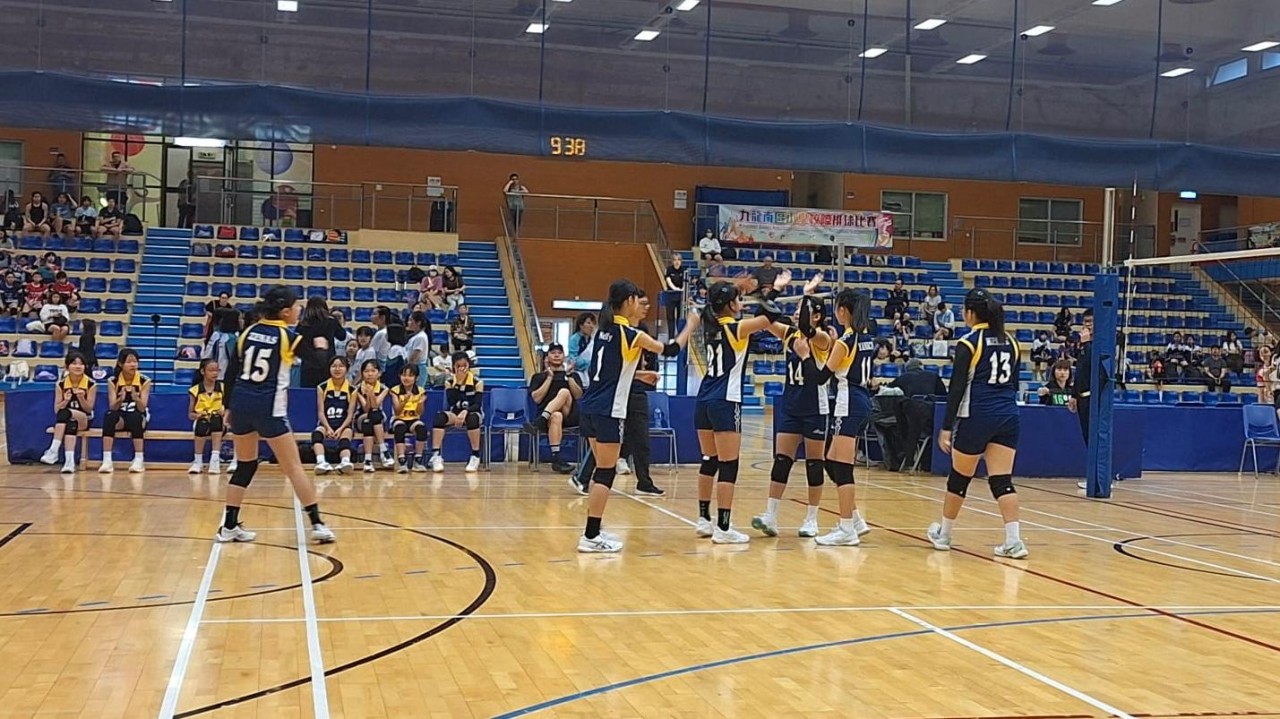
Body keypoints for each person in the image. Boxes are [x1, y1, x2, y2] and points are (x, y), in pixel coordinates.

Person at [575, 279, 699, 553]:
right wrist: (690, 325)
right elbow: (670, 350)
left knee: (601, 470)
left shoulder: (603, 331)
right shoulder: (631, 334)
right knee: (605, 472)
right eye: (637, 300)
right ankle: (591, 536)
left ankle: (593, 531)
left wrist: (639, 374)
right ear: (628, 301)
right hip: (609, 410)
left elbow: (604, 371)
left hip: (590, 407)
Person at [217, 285, 335, 544]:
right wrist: (322, 346)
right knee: (293, 467)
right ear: (285, 312)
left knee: (245, 465)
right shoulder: (287, 337)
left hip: (241, 405)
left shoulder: (247, 332)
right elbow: (318, 363)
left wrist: (227, 406)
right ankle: (317, 524)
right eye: (296, 306)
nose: (299, 309)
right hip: (269, 408)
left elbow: (231, 373)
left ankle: (228, 526)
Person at [693, 274, 791, 545]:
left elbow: (720, 303)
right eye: (738, 300)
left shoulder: (710, 325)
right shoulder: (735, 329)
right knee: (729, 465)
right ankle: (723, 528)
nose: (742, 303)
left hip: (703, 399)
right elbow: (770, 316)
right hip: (725, 399)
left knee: (709, 460)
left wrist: (737, 289)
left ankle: (704, 519)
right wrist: (770, 291)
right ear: (731, 305)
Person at [929, 288, 1026, 559]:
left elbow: (956, 388)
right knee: (1002, 480)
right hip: (1008, 415)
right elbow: (1014, 383)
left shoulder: (969, 342)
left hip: (977, 415)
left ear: (970, 313)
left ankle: (944, 535)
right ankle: (1014, 541)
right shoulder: (1012, 341)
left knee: (960, 477)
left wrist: (946, 426)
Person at [752, 278, 833, 539]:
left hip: (815, 408)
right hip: (791, 406)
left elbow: (810, 330)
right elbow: (763, 318)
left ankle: (812, 519)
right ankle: (771, 515)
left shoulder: (823, 338)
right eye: (796, 309)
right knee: (782, 460)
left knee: (814, 464)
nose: (796, 313)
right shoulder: (791, 335)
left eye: (802, 309)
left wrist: (808, 295)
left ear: (817, 316)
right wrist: (774, 291)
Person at [799, 289, 876, 546]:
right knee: (831, 462)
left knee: (843, 469)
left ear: (843, 310)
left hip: (848, 402)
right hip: (861, 400)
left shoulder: (845, 342)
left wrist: (805, 356)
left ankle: (846, 529)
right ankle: (855, 519)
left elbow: (821, 378)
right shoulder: (866, 337)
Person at [528, 343, 583, 474]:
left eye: (559, 353)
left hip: (569, 414)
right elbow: (536, 399)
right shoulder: (538, 377)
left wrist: (569, 377)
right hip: (551, 418)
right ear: (547, 357)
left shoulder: (573, 375)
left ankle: (540, 421)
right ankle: (556, 458)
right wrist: (549, 378)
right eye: (553, 353)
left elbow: (578, 395)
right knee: (556, 416)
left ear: (564, 357)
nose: (557, 355)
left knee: (564, 392)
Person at [424, 352, 483, 473]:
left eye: (464, 365)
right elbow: (451, 401)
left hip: (473, 412)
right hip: (455, 413)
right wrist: (458, 384)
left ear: (469, 366)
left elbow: (477, 404)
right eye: (458, 366)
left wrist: (465, 412)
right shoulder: (449, 382)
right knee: (439, 417)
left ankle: (475, 456)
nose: (461, 369)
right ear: (453, 367)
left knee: (472, 419)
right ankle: (436, 455)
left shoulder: (478, 382)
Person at [40, 351, 96, 474]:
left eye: (81, 364)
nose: (78, 366)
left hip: (84, 419)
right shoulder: (61, 384)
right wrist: (65, 400)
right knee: (69, 421)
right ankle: (69, 462)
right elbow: (57, 409)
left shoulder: (91, 384)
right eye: (74, 363)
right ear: (67, 367)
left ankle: (53, 450)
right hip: (67, 419)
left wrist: (81, 398)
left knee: (65, 414)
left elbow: (89, 409)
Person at [98, 348, 151, 474]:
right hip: (121, 417)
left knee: (135, 417)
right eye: (129, 362)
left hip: (139, 416)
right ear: (121, 364)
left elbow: (142, 407)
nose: (133, 365)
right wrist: (120, 399)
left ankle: (139, 459)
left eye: (135, 362)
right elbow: (113, 407)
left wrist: (136, 398)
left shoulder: (144, 380)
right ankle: (107, 461)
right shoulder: (113, 381)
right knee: (109, 416)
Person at [313, 356, 356, 474]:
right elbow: (321, 412)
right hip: (326, 423)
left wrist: (340, 429)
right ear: (329, 368)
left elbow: (350, 415)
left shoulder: (352, 390)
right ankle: (321, 462)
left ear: (347, 369)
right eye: (334, 366)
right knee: (317, 434)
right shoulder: (322, 387)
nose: (337, 369)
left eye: (341, 366)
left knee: (346, 436)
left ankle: (345, 462)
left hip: (344, 424)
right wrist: (328, 428)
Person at [387, 365, 429, 473]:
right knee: (400, 428)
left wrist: (420, 403)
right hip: (398, 419)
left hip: (414, 419)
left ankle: (418, 460)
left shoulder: (421, 391)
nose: (406, 378)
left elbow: (419, 413)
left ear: (416, 378)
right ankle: (402, 461)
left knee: (421, 429)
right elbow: (397, 411)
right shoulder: (395, 390)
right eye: (403, 375)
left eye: (410, 375)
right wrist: (404, 401)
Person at [188, 358, 227, 475]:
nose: (215, 373)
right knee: (202, 423)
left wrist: (224, 411)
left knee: (216, 419)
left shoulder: (223, 388)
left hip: (219, 423)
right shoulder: (195, 390)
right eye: (211, 370)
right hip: (201, 422)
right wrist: (198, 415)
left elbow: (229, 409)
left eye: (217, 370)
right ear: (202, 371)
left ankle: (215, 459)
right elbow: (190, 414)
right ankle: (198, 461)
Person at [296, 297, 345, 388]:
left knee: (307, 392)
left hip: (308, 363)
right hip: (328, 363)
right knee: (327, 391)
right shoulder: (331, 321)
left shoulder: (303, 323)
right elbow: (342, 336)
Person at [355, 358, 394, 472]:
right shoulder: (357, 389)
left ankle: (367, 460)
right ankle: (384, 451)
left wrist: (371, 394)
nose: (370, 374)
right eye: (366, 371)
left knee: (371, 419)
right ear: (362, 374)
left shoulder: (384, 388)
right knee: (370, 416)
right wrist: (369, 395)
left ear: (379, 373)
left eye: (373, 371)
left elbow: (376, 405)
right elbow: (366, 409)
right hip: (361, 418)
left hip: (378, 419)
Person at [567, 312, 597, 381]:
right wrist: (590, 362)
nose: (592, 326)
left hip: (590, 373)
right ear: (581, 325)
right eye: (589, 323)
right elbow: (573, 359)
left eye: (593, 323)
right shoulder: (575, 339)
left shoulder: (593, 340)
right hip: (578, 374)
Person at [405, 311, 432, 387]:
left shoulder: (421, 337)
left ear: (418, 322)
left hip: (417, 369)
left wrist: (408, 372)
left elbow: (413, 358)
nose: (408, 322)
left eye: (411, 320)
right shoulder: (415, 337)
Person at [662, 255, 686, 337]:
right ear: (672, 261)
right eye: (675, 260)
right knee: (670, 316)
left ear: (681, 261)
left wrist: (682, 289)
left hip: (681, 296)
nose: (677, 262)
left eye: (678, 260)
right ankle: (671, 336)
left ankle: (680, 336)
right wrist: (675, 288)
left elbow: (685, 282)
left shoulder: (684, 270)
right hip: (671, 295)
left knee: (680, 316)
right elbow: (668, 281)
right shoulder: (669, 269)